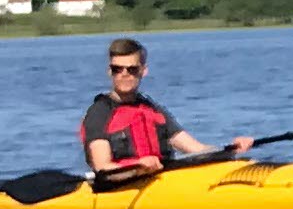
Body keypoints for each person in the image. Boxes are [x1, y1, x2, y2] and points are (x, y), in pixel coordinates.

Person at [79, 36, 252, 180]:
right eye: (118, 69)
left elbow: (196, 149)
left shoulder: (152, 110)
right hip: (119, 187)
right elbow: (103, 167)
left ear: (143, 71)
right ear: (110, 71)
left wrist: (230, 150)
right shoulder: (99, 113)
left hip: (160, 179)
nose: (124, 74)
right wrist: (138, 168)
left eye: (131, 69)